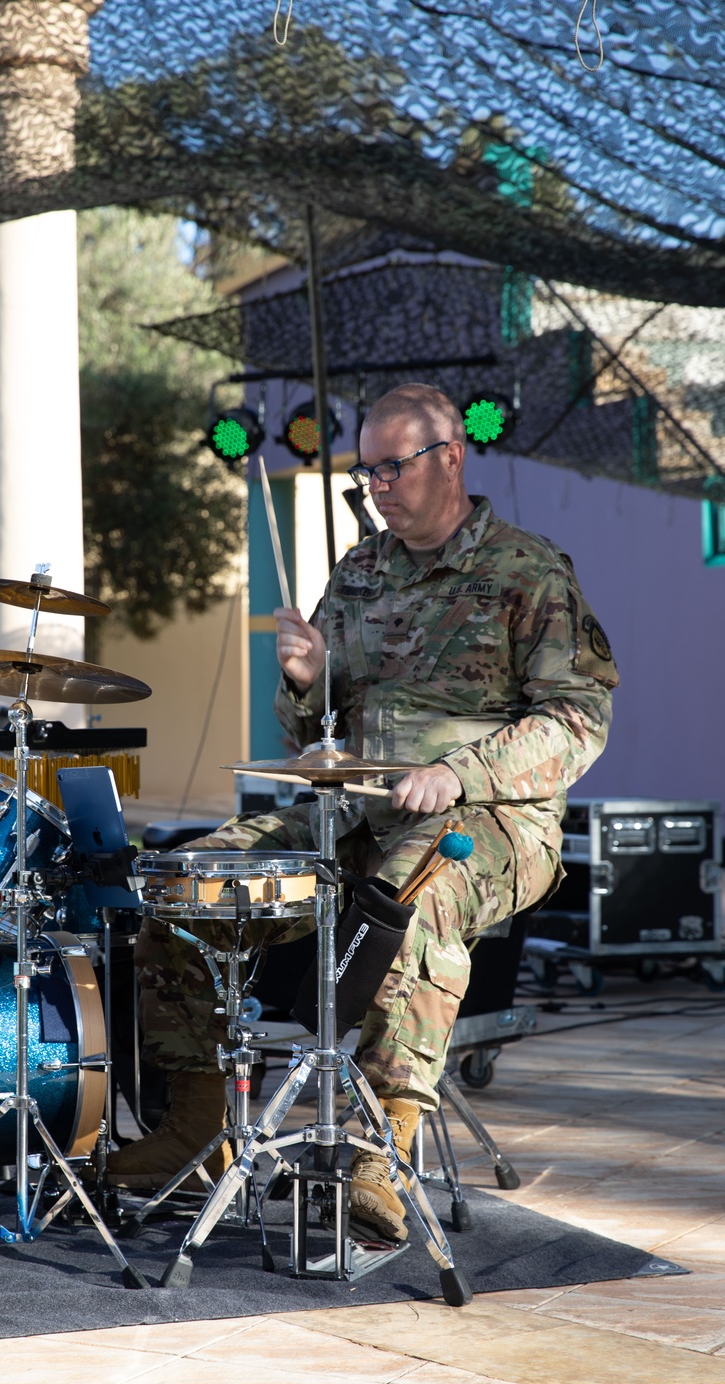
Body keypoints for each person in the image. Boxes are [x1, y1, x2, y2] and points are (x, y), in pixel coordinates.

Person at [110, 383, 618, 1242]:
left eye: (393, 467)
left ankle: (381, 1150)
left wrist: (458, 774)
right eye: (367, 470)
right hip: (355, 817)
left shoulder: (527, 570)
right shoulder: (358, 573)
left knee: (404, 900)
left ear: (450, 457)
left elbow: (579, 720)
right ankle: (195, 1128)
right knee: (190, 885)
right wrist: (306, 684)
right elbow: (314, 735)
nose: (377, 486)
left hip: (495, 821)